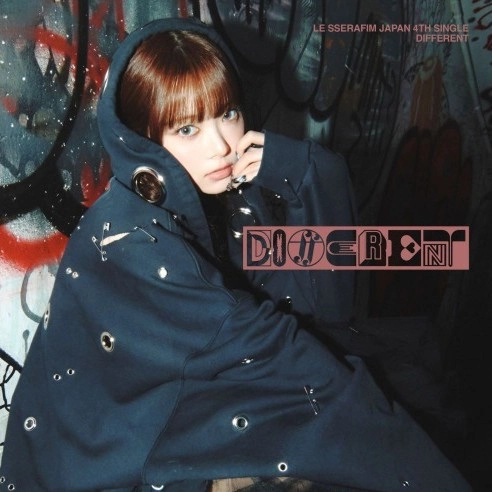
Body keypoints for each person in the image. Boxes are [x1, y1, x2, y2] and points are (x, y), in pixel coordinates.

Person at [0, 17, 471, 492]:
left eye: (227, 114)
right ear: (142, 140)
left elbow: (321, 301)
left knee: (396, 383)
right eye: (187, 128)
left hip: (182, 414)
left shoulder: (229, 202)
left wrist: (301, 172)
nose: (222, 146)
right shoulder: (127, 238)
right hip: (111, 458)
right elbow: (271, 347)